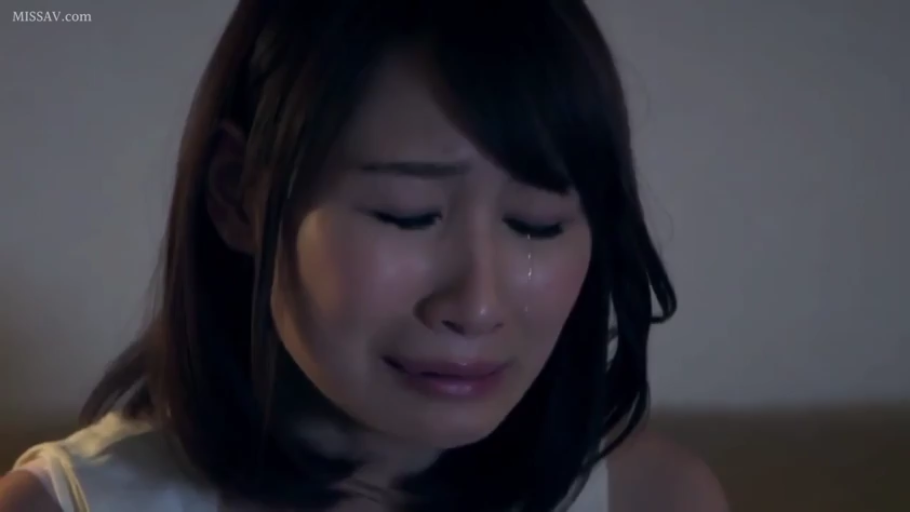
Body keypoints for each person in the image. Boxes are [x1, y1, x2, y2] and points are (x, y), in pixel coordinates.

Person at [0, 0, 728, 510]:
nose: (477, 305)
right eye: (407, 215)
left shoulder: (657, 499)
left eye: (537, 225)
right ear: (239, 195)